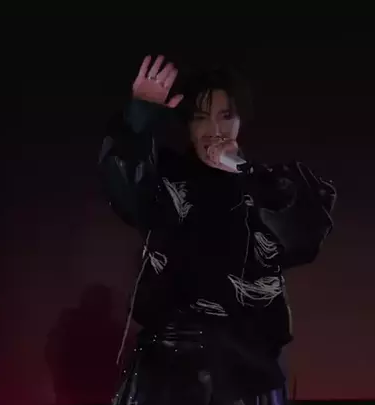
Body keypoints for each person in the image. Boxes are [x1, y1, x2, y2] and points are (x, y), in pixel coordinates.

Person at [98, 55, 337, 405]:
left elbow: (303, 237)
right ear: (187, 124)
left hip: (249, 373)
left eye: (226, 116)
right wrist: (140, 115)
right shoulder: (165, 179)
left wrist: (248, 177)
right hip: (170, 369)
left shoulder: (266, 186)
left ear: (241, 120)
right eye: (201, 117)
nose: (214, 129)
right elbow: (125, 186)